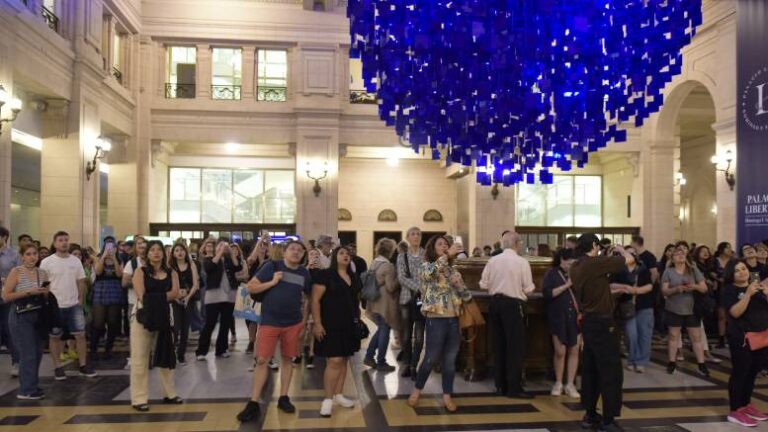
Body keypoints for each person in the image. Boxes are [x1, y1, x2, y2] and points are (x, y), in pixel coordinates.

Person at [238, 240, 312, 423]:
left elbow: (309, 297)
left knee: (288, 359)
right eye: (292, 249)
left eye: (300, 250)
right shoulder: (272, 266)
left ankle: (284, 397)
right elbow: (251, 287)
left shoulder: (304, 273)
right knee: (262, 359)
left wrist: (304, 321)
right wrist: (272, 282)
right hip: (270, 322)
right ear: (284, 252)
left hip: (293, 323)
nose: (296, 252)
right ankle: (253, 402)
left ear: (303, 255)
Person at [570, 233, 632, 432]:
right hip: (603, 323)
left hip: (588, 321)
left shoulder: (575, 266)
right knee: (611, 371)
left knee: (591, 369)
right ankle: (608, 419)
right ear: (595, 245)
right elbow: (629, 260)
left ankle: (590, 414)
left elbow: (597, 286)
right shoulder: (594, 263)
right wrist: (621, 250)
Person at [407, 235, 472, 413]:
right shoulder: (426, 266)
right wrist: (446, 256)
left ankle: (447, 396)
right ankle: (417, 390)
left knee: (450, 361)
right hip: (436, 319)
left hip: (454, 319)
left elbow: (467, 297)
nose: (444, 246)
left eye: (447, 244)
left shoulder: (453, 270)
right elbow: (429, 274)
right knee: (430, 358)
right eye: (440, 244)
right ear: (432, 248)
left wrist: (460, 286)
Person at [480, 231, 536, 399]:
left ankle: (500, 386)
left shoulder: (492, 260)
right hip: (513, 306)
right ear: (517, 244)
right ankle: (514, 388)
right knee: (515, 348)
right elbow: (528, 288)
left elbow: (483, 284)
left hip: (495, 305)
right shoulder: (522, 262)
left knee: (499, 346)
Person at [130, 240, 182, 412]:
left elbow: (176, 292)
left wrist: (157, 296)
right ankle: (139, 398)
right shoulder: (140, 272)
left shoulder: (171, 272)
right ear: (147, 254)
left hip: (165, 317)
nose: (156, 253)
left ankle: (170, 393)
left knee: (166, 355)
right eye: (152, 250)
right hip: (143, 317)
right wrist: (163, 296)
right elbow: (141, 295)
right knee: (140, 358)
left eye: (159, 249)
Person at [39, 231, 97, 380]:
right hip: (55, 306)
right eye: (60, 240)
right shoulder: (47, 262)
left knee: (80, 335)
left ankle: (83, 365)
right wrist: (46, 302)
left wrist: (80, 300)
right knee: (55, 337)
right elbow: (43, 284)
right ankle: (58, 367)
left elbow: (81, 281)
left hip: (73, 304)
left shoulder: (75, 261)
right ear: (55, 243)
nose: (64, 242)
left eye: (66, 240)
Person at [312, 246, 361, 417]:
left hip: (348, 324)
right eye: (342, 253)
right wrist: (317, 324)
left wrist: (357, 320)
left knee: (344, 359)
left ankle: (339, 394)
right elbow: (315, 300)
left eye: (348, 254)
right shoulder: (325, 275)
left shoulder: (353, 277)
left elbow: (356, 301)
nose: (346, 256)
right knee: (334, 360)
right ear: (335, 257)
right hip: (330, 324)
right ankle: (327, 399)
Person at [722, 260, 768, 427]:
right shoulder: (729, 290)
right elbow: (734, 312)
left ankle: (746, 405)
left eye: (743, 268)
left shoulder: (758, 286)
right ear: (731, 274)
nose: (742, 272)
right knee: (740, 372)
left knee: (752, 372)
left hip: (761, 336)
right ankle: (735, 410)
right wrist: (747, 294)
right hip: (741, 338)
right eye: (737, 270)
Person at [2, 244, 49, 399]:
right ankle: (26, 389)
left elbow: (45, 294)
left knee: (37, 352)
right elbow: (6, 296)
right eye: (28, 254)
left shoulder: (41, 273)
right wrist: (29, 292)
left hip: (38, 315)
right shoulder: (16, 272)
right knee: (27, 352)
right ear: (22, 256)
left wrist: (45, 293)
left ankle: (32, 384)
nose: (32, 257)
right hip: (21, 315)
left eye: (34, 253)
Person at [661, 246, 709, 376]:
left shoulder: (693, 270)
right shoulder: (668, 271)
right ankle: (671, 362)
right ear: (672, 259)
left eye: (682, 253)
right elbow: (664, 291)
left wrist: (693, 286)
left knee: (696, 337)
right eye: (677, 254)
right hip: (674, 307)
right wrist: (676, 289)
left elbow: (704, 288)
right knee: (673, 336)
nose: (680, 255)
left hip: (692, 308)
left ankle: (701, 364)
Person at [542, 248, 580, 397]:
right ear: (560, 260)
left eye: (571, 261)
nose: (569, 264)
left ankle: (570, 383)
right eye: (566, 261)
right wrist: (567, 285)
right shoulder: (551, 274)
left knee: (574, 350)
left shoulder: (578, 273)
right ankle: (558, 382)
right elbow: (548, 294)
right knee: (560, 351)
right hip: (558, 317)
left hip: (575, 317)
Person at [196, 239, 242, 360]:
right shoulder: (208, 258)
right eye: (220, 245)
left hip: (229, 295)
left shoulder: (228, 260)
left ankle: (221, 349)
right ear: (216, 248)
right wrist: (220, 252)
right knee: (209, 324)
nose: (223, 247)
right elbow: (209, 268)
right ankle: (201, 351)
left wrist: (231, 253)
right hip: (214, 295)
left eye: (224, 245)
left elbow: (238, 267)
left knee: (225, 324)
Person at [363, 238, 401, 372]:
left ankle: (369, 356)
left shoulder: (375, 262)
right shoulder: (388, 266)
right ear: (390, 251)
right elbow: (391, 287)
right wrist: (399, 278)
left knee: (380, 330)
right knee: (384, 331)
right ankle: (381, 361)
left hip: (374, 301)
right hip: (385, 304)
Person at [614, 247, 654, 373]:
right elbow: (611, 284)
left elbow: (650, 286)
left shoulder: (643, 269)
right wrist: (624, 287)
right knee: (630, 335)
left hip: (645, 305)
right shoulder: (619, 270)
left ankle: (641, 361)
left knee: (644, 335)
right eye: (628, 253)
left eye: (633, 253)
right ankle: (632, 359)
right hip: (627, 306)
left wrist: (636, 291)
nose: (630, 255)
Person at [397, 227, 425, 379]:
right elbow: (401, 277)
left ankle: (414, 365)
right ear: (407, 237)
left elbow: (431, 274)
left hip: (422, 301)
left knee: (420, 337)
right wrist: (419, 287)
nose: (416, 237)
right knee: (407, 335)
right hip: (406, 299)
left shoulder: (426, 255)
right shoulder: (402, 257)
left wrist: (423, 288)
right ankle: (406, 364)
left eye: (418, 234)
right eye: (413, 234)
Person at [90, 238, 124, 359]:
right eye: (108, 247)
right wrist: (104, 257)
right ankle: (93, 348)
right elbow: (98, 272)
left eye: (113, 247)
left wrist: (114, 258)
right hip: (100, 290)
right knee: (98, 322)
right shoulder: (98, 259)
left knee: (113, 322)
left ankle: (108, 349)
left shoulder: (119, 259)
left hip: (115, 290)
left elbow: (120, 274)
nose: (110, 249)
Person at [170, 243, 199, 365]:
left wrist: (187, 297)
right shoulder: (171, 266)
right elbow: (168, 283)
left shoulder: (191, 265)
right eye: (176, 250)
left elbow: (195, 284)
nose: (180, 252)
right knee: (175, 327)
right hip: (174, 299)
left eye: (182, 250)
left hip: (189, 299)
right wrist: (175, 296)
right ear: (173, 253)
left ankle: (181, 355)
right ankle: (171, 354)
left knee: (185, 329)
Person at [0, 226, 21, 377]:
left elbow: (20, 274)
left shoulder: (14, 254)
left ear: (4, 237)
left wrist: (7, 281)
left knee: (9, 330)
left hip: (7, 296)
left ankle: (17, 362)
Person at [245, 239, 270, 354]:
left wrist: (268, 242)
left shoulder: (269, 262)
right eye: (260, 246)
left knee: (263, 319)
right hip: (253, 292)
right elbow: (250, 259)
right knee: (251, 319)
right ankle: (251, 341)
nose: (262, 248)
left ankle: (262, 341)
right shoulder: (252, 260)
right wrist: (259, 242)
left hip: (265, 291)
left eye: (265, 247)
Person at [713, 242, 735, 348]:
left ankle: (732, 337)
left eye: (730, 248)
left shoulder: (734, 261)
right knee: (721, 315)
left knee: (732, 314)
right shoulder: (715, 261)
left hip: (732, 288)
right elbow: (711, 272)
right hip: (720, 289)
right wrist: (718, 279)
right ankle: (721, 338)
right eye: (727, 248)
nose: (730, 250)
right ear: (721, 249)